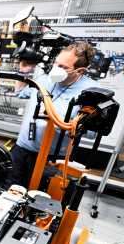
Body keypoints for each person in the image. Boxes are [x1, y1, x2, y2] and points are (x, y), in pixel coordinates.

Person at [7, 42, 97, 188]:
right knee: (9, 191)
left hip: (52, 159)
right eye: (56, 64)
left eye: (63, 67)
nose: (56, 69)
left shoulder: (91, 92)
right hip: (21, 150)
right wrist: (23, 71)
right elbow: (20, 93)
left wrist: (58, 121)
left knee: (37, 201)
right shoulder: (45, 80)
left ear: (80, 71)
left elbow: (92, 132)